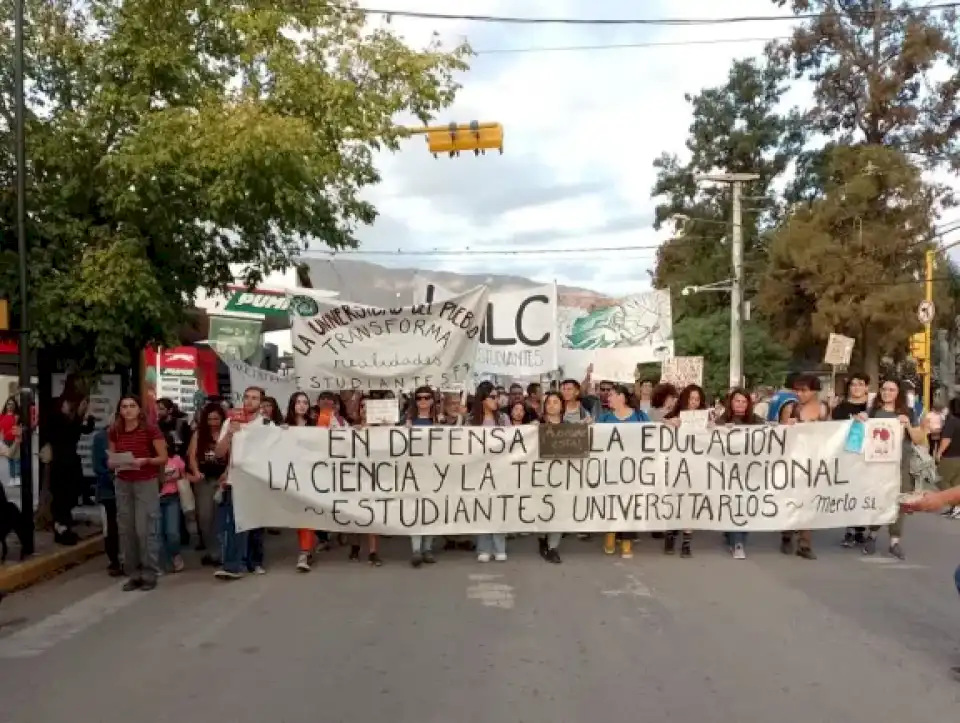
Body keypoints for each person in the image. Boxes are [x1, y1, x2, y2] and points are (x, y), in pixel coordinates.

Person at [860, 378, 925, 559]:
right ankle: (872, 535)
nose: (887, 392)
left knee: (900, 501)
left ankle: (894, 541)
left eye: (891, 389)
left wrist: (908, 426)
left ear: (898, 393)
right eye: (884, 389)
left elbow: (918, 439)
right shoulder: (872, 412)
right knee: (878, 499)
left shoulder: (908, 412)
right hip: (876, 465)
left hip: (901, 465)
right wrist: (861, 420)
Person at [108, 395, 167, 591]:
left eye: (132, 406)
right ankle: (133, 573)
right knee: (126, 529)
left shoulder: (150, 429)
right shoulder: (115, 431)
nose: (128, 410)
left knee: (145, 529)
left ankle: (150, 572)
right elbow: (111, 458)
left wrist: (145, 461)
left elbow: (163, 457)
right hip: (123, 482)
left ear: (139, 410)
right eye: (124, 406)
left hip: (145, 481)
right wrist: (114, 462)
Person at [213, 386, 269, 580]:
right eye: (247, 397)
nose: (250, 401)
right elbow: (219, 454)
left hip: (257, 479)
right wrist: (229, 434)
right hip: (235, 479)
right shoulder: (230, 421)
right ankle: (232, 565)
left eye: (255, 398)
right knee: (233, 523)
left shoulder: (267, 424)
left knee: (254, 523)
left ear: (261, 403)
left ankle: (255, 562)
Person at [597, 383, 649, 559]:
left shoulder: (641, 417)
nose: (607, 398)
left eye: (611, 395)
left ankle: (627, 541)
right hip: (611, 470)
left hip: (634, 470)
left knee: (629, 505)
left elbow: (653, 434)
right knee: (612, 503)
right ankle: (610, 534)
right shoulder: (604, 419)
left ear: (621, 397)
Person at [779, 373, 828, 560]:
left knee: (809, 500)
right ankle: (786, 534)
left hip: (814, 461)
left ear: (814, 391)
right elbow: (778, 433)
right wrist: (786, 425)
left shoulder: (823, 409)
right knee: (791, 498)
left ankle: (805, 543)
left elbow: (832, 431)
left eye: (804, 390)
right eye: (797, 390)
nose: (800, 393)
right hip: (793, 460)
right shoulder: (790, 408)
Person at [715, 388, 763, 559]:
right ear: (731, 402)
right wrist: (721, 430)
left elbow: (771, 433)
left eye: (744, 401)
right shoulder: (723, 420)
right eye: (737, 401)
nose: (741, 405)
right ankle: (737, 543)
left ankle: (735, 536)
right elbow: (710, 437)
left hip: (750, 471)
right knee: (735, 504)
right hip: (729, 472)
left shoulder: (756, 420)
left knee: (745, 505)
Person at [662, 384, 707, 557]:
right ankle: (671, 535)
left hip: (696, 466)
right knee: (675, 500)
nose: (693, 403)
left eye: (697, 399)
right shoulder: (675, 415)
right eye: (690, 399)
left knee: (691, 503)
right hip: (676, 467)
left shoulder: (705, 417)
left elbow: (718, 431)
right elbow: (656, 426)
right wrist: (668, 422)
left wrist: (713, 427)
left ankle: (686, 542)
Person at [832, 373, 871, 547]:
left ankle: (860, 530)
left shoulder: (871, 408)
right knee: (848, 492)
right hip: (846, 454)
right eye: (853, 384)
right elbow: (830, 429)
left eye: (860, 384)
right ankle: (849, 530)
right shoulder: (841, 407)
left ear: (866, 387)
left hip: (866, 456)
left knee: (864, 493)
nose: (856, 387)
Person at [472, 381, 509, 562]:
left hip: (500, 469)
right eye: (492, 397)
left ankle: (499, 546)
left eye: (497, 396)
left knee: (499, 508)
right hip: (479, 471)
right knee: (482, 509)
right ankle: (484, 547)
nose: (497, 400)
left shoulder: (503, 419)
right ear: (483, 399)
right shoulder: (473, 421)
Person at [186, 402, 227, 567]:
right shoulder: (199, 434)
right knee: (205, 517)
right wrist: (195, 471)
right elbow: (192, 455)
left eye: (216, 419)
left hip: (222, 480)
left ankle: (222, 553)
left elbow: (233, 456)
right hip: (204, 480)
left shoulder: (226, 434)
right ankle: (212, 551)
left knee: (220, 518)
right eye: (209, 419)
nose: (213, 423)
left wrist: (226, 475)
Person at [406, 386, 439, 567]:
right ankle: (416, 549)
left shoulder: (438, 421)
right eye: (419, 398)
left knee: (431, 510)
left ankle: (427, 548)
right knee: (416, 510)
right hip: (415, 471)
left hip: (434, 471)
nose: (423, 401)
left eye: (427, 398)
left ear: (432, 400)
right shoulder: (409, 421)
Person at [91, 426, 121, 577]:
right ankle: (114, 560)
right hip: (108, 490)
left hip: (128, 486)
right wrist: (112, 477)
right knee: (111, 526)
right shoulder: (100, 438)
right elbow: (97, 466)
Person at [157, 432, 186, 573]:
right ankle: (162, 562)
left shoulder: (176, 460)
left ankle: (175, 555)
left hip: (172, 498)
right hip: (154, 500)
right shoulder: (151, 461)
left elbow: (184, 475)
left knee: (172, 532)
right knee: (158, 533)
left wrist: (177, 475)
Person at [936, 396, 960, 519]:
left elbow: (947, 439)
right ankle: (955, 509)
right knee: (956, 483)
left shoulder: (952, 421)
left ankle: (956, 506)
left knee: (941, 479)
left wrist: (939, 452)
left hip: (950, 456)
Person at [0, 398, 19, 485]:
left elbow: (18, 427)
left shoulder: (16, 416)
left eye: (12, 404)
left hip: (15, 440)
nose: (10, 406)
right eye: (8, 404)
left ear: (15, 405)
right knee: (10, 460)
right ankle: (12, 478)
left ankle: (17, 477)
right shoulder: (2, 416)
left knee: (16, 459)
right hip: (6, 441)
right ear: (6, 405)